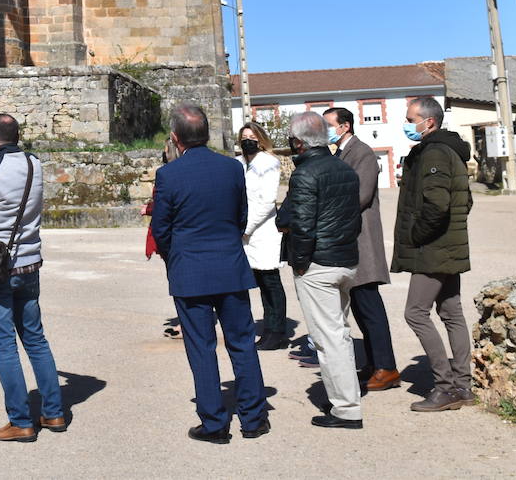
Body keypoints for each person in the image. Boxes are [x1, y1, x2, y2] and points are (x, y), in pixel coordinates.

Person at [152, 104, 270, 443]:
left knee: (201, 348)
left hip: (190, 270)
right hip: (230, 267)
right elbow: (241, 215)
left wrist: (175, 257)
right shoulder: (232, 168)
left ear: (175, 137)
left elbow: (161, 229)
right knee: (242, 343)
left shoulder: (169, 175)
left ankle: (215, 423)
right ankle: (254, 418)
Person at [0, 113, 66, 443]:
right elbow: (5, 164)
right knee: (36, 340)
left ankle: (20, 420)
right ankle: (54, 412)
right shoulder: (34, 163)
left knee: (4, 347)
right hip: (29, 266)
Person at [277, 111, 363, 430]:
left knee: (329, 340)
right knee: (339, 332)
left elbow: (300, 225)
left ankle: (347, 408)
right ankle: (344, 395)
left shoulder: (305, 174)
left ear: (298, 142)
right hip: (345, 260)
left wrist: (300, 264)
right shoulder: (345, 169)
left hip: (318, 265)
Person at [392, 96, 476, 412]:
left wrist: (417, 236)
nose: (406, 123)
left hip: (433, 247)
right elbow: (464, 202)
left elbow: (437, 205)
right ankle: (463, 386)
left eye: (410, 118)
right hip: (446, 245)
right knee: (452, 311)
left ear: (429, 122)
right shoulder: (447, 150)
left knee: (415, 312)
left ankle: (445, 387)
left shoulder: (435, 153)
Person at [323, 106, 399, 391]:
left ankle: (387, 367)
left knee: (370, 306)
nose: (325, 130)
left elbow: (360, 196)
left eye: (329, 125)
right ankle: (373, 362)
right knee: (360, 308)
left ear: (344, 126)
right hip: (348, 241)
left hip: (362, 239)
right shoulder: (341, 153)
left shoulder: (362, 153)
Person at [238, 122, 287, 350]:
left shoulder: (269, 162)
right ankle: (266, 328)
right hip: (243, 230)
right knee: (255, 281)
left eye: (252, 136)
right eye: (244, 136)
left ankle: (276, 331)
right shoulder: (238, 163)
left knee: (270, 281)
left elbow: (267, 201)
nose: (248, 140)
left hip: (262, 229)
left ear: (260, 139)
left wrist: (247, 227)